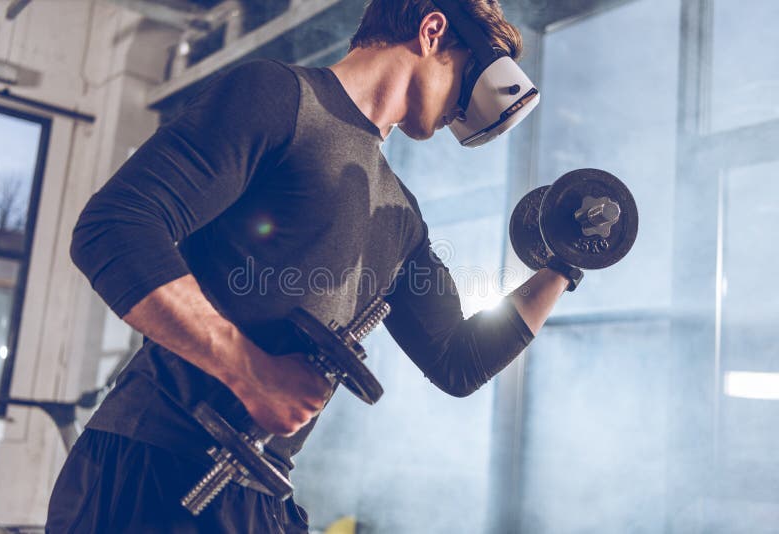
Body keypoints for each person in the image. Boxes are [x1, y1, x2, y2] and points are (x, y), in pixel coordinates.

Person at [46, 0, 571, 532]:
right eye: (464, 82)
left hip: (256, 492)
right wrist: (250, 371)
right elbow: (114, 226)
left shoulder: (401, 216)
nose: (461, 112)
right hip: (151, 469)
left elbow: (458, 360)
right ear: (432, 30)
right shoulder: (278, 98)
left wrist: (566, 266)